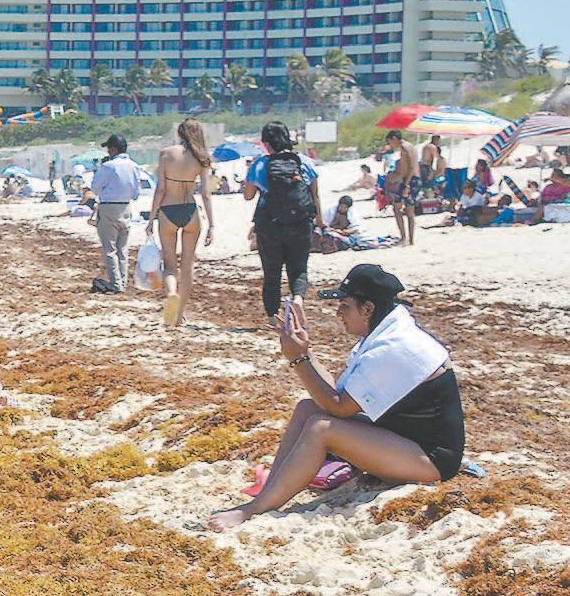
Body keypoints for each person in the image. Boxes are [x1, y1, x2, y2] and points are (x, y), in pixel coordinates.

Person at [206, 266, 464, 531]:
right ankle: (270, 491)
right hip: (404, 441)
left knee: (322, 429)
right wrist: (305, 352)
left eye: (344, 305)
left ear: (367, 309)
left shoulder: (395, 347)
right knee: (308, 409)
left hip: (431, 461)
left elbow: (339, 409)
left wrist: (297, 359)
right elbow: (335, 395)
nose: (338, 312)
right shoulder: (385, 333)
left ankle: (254, 509)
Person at [244, 122, 322, 322]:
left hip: (269, 223)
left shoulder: (260, 164)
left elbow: (248, 195)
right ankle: (297, 299)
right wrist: (320, 221)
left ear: (266, 143)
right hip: (301, 221)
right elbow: (315, 195)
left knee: (272, 271)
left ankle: (273, 316)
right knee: (299, 267)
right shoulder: (304, 162)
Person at [148, 119, 218, 327]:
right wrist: (212, 225)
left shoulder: (166, 154)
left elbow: (160, 189)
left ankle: (171, 293)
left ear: (180, 133)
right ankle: (180, 315)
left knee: (170, 265)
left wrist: (151, 218)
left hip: (168, 210)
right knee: (187, 265)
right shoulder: (202, 157)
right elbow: (205, 194)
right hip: (190, 211)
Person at [90, 134, 142, 294]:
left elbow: (95, 188)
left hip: (108, 208)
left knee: (110, 249)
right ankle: (122, 282)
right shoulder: (134, 166)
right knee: (122, 249)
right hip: (126, 207)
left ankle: (116, 283)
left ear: (113, 149)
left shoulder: (108, 166)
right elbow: (136, 193)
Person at [383, 130, 418, 247]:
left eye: (390, 142)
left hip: (409, 180)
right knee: (406, 210)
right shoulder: (409, 146)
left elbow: (411, 167)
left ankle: (405, 238)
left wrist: (406, 184)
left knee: (402, 209)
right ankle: (409, 239)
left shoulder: (404, 148)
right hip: (411, 179)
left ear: (394, 138)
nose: (390, 145)